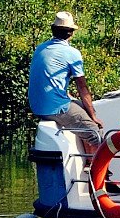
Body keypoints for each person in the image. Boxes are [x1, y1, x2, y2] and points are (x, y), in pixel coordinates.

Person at [28, 10, 101, 149]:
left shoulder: (40, 48)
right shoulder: (72, 53)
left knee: (80, 107)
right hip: (54, 108)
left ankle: (90, 162)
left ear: (53, 30)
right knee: (95, 132)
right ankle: (98, 169)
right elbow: (83, 88)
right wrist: (93, 117)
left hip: (36, 106)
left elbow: (47, 78)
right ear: (71, 33)